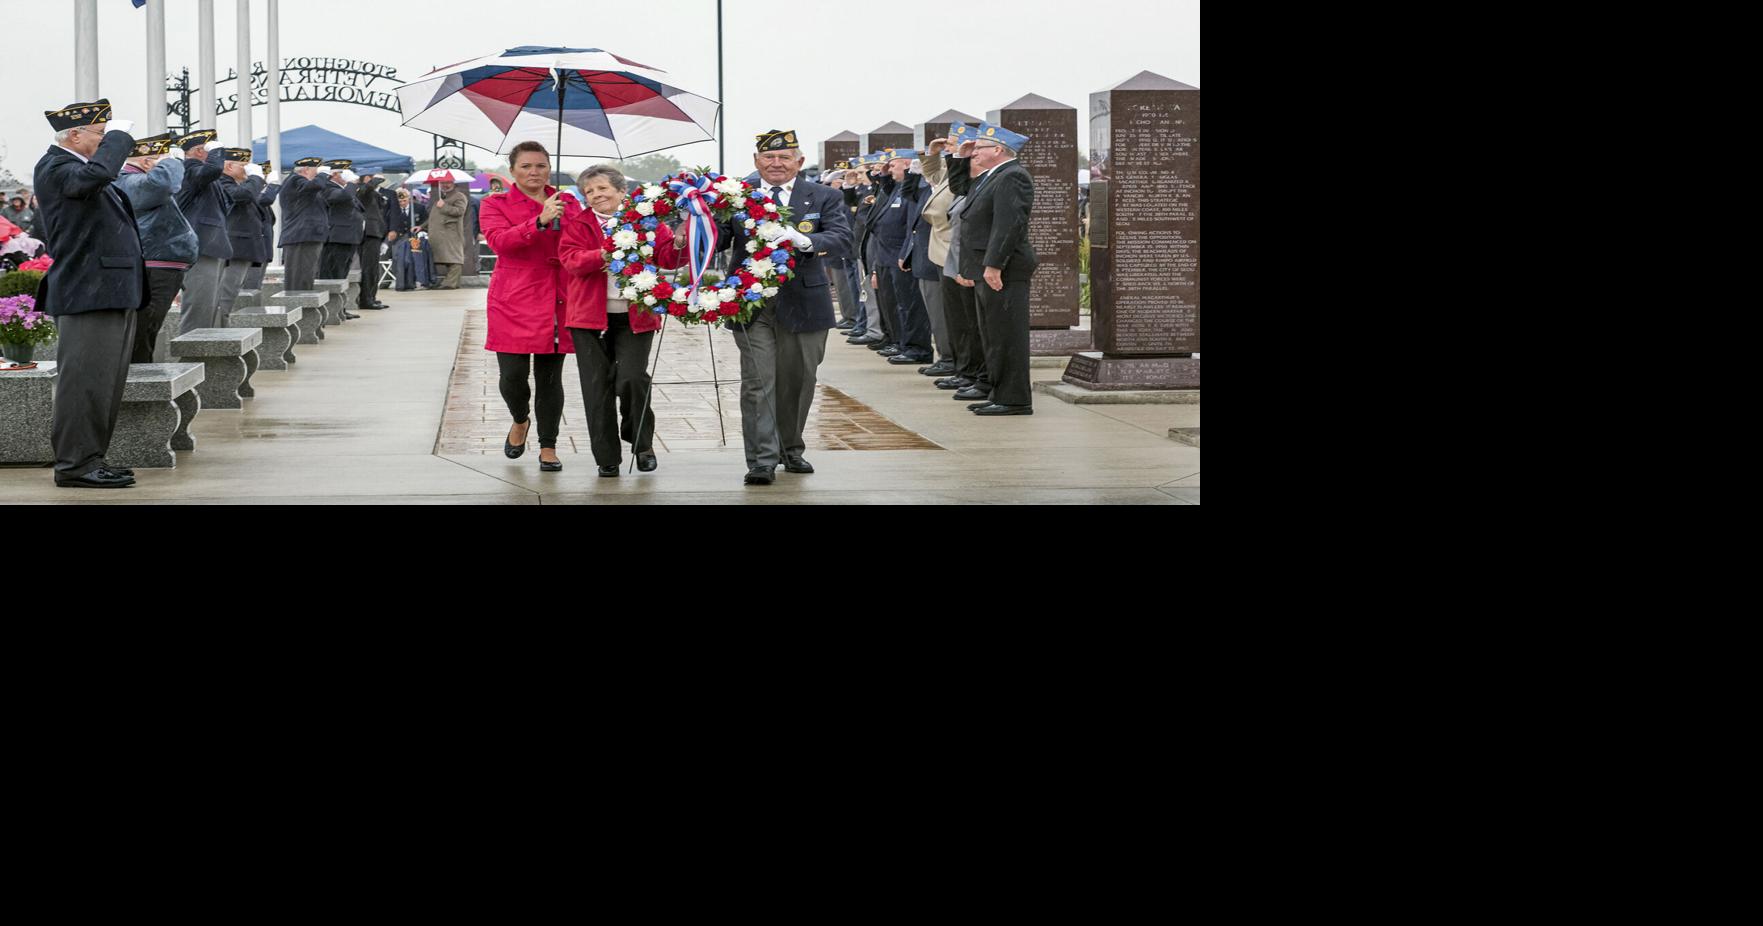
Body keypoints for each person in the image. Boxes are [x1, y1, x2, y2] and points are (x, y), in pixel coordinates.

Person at [716, 129, 851, 485]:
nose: (776, 163)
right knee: (758, 381)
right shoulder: (736, 196)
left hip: (804, 301)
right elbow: (719, 238)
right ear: (756, 161)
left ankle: (790, 448)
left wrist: (804, 239)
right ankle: (761, 459)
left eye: (784, 157)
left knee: (798, 380)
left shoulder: (823, 196)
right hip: (752, 303)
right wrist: (697, 223)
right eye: (768, 157)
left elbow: (842, 238)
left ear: (799, 162)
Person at [32, 98, 144, 488]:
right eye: (100, 134)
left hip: (109, 290)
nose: (105, 143)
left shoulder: (78, 169)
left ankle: (91, 458)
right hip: (88, 290)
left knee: (103, 385)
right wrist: (119, 138)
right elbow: (93, 178)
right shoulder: (57, 167)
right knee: (83, 385)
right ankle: (74, 464)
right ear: (74, 135)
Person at [558, 164, 685, 477]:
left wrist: (680, 243)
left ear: (621, 191)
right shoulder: (578, 223)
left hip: (635, 315)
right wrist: (602, 253)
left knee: (631, 378)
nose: (596, 195)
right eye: (589, 191)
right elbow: (571, 261)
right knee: (596, 387)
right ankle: (606, 457)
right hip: (588, 317)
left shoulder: (644, 219)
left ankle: (641, 444)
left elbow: (667, 257)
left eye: (602, 188)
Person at [476, 141, 581, 473]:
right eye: (526, 166)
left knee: (551, 378)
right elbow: (499, 242)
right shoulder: (495, 203)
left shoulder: (568, 202)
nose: (534, 172)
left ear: (549, 168)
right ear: (513, 171)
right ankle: (520, 419)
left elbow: (583, 239)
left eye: (541, 166)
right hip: (514, 297)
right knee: (513, 376)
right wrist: (539, 221)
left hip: (558, 298)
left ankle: (548, 445)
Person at [959, 122, 1038, 416]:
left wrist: (994, 264)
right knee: (992, 335)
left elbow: (1009, 225)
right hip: (986, 266)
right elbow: (960, 189)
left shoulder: (1013, 176)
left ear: (998, 150)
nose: (974, 153)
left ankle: (1015, 399)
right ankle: (999, 392)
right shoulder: (991, 176)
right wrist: (959, 157)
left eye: (979, 148)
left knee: (1007, 336)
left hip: (1004, 268)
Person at [115, 131, 196, 363]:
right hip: (153, 264)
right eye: (161, 158)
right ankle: (139, 390)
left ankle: (142, 385)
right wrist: (171, 162)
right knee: (143, 330)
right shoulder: (128, 180)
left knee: (147, 330)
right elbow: (163, 184)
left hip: (159, 263)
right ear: (148, 161)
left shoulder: (134, 180)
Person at [173, 129, 233, 333]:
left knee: (208, 306)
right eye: (211, 148)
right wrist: (217, 153)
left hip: (211, 245)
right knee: (198, 307)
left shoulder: (202, 174)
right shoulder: (189, 169)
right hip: (201, 247)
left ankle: (202, 355)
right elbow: (212, 170)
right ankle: (189, 358)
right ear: (199, 151)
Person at [218, 148, 268, 319]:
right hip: (235, 247)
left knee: (231, 293)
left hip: (243, 246)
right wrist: (256, 178)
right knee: (225, 293)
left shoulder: (237, 184)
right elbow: (241, 196)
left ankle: (222, 328)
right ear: (229, 166)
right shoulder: (222, 182)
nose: (246, 170)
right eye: (243, 166)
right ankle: (218, 331)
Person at [277, 156, 329, 291]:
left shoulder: (303, 185)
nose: (318, 174)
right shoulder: (294, 180)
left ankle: (303, 309)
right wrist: (323, 174)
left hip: (307, 236)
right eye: (316, 170)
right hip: (300, 236)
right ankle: (297, 308)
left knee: (306, 276)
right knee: (299, 278)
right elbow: (316, 185)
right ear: (306, 169)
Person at [243, 160, 280, 291]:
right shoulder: (249, 190)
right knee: (249, 288)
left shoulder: (257, 192)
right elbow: (264, 200)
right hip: (253, 249)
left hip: (263, 249)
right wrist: (273, 186)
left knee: (256, 288)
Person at [354, 170, 388, 310]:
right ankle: (366, 299)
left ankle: (372, 296)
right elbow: (363, 191)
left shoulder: (373, 192)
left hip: (375, 232)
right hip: (368, 233)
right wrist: (373, 182)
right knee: (368, 267)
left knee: (373, 268)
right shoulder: (361, 190)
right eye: (371, 177)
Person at [428, 179, 469, 289]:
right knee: (444, 258)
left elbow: (459, 211)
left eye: (448, 182)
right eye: (442, 183)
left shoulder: (459, 196)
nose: (445, 185)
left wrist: (444, 206)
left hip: (451, 233)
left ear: (454, 183)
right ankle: (448, 282)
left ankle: (450, 283)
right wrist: (421, 226)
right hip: (439, 234)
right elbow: (434, 216)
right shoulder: (443, 197)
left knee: (454, 258)